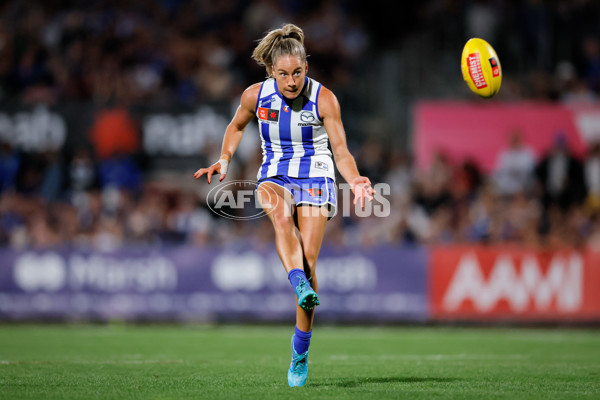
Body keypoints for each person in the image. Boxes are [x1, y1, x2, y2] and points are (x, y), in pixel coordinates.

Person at [193, 23, 374, 387]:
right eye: (283, 74)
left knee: (308, 259)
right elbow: (236, 126)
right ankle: (299, 283)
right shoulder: (255, 96)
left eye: (297, 72)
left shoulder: (325, 99)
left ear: (306, 66)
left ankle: (300, 351)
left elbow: (341, 151)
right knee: (278, 215)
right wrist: (225, 160)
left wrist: (354, 179)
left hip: (318, 174)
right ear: (270, 72)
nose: (291, 81)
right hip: (275, 172)